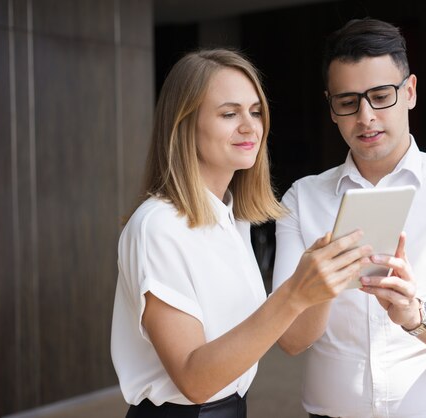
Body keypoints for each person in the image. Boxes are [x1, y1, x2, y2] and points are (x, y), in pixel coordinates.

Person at [110, 48, 373, 418]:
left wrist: (324, 286)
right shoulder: (158, 226)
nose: (250, 127)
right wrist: (294, 294)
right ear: (184, 124)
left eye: (255, 111)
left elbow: (286, 339)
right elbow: (194, 379)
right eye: (229, 113)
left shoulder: (232, 219)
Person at [273, 18, 426, 418]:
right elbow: (291, 342)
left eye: (381, 96)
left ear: (410, 92)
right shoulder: (302, 199)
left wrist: (419, 317)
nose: (365, 117)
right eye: (348, 102)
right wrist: (321, 287)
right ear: (332, 108)